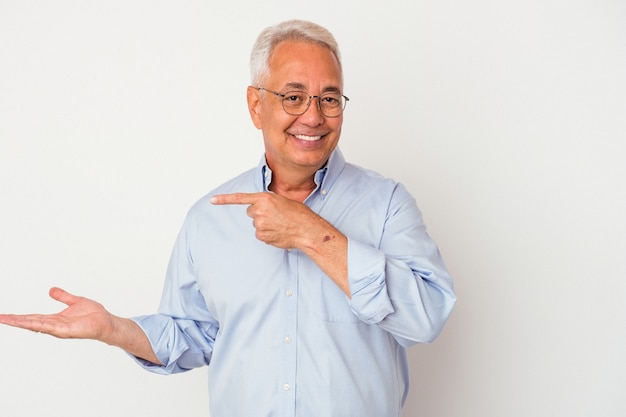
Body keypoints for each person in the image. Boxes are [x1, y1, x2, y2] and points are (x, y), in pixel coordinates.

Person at [0, 19, 456, 417]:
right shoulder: (209, 217)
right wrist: (114, 330)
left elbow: (427, 317)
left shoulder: (388, 204)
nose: (313, 117)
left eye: (329, 99)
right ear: (256, 105)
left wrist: (312, 234)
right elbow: (193, 336)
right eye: (293, 96)